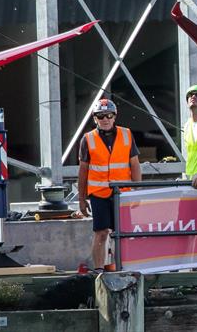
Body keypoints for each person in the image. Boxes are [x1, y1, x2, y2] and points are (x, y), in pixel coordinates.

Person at [78, 98, 142, 272]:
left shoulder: (127, 134)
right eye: (100, 116)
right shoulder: (88, 139)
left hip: (123, 193)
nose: (105, 119)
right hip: (99, 193)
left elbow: (134, 164)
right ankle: (99, 270)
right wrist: (82, 199)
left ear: (114, 116)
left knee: (122, 234)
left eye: (108, 115)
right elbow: (83, 171)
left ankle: (122, 267)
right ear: (95, 118)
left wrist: (137, 191)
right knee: (101, 232)